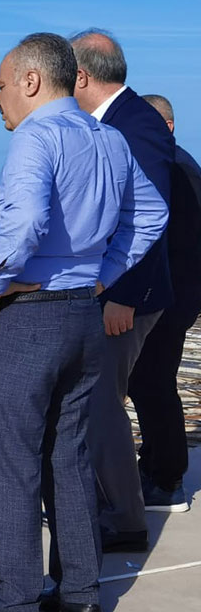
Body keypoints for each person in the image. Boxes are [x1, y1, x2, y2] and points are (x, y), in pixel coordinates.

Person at [0, 33, 167, 612]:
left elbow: (25, 217)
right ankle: (79, 594)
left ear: (30, 81)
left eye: (1, 85)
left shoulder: (36, 134)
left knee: (10, 462)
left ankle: (16, 601)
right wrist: (102, 276)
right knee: (69, 457)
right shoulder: (109, 137)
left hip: (27, 318)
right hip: (82, 315)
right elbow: (151, 214)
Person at [69, 28, 177, 551]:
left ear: (80, 76)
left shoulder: (134, 124)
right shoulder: (118, 120)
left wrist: (124, 295)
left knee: (101, 406)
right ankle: (108, 506)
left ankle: (124, 520)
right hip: (117, 289)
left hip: (126, 296)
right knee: (99, 401)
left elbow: (150, 215)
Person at [124, 93, 201, 513]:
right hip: (176, 292)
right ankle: (154, 464)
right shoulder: (179, 163)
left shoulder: (173, 166)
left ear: (167, 126)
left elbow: (167, 239)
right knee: (147, 383)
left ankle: (168, 480)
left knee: (153, 384)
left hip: (170, 295)